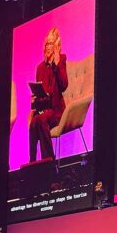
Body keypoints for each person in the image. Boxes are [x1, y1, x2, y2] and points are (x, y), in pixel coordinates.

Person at [29, 26, 68, 162]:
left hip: (57, 112)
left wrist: (56, 65)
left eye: (50, 43)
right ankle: (33, 162)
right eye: (46, 44)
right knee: (34, 121)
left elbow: (64, 85)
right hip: (44, 110)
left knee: (40, 120)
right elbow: (39, 93)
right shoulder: (40, 68)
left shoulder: (61, 60)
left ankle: (48, 162)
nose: (47, 47)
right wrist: (35, 98)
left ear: (57, 45)